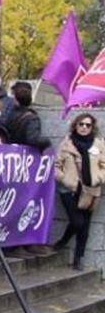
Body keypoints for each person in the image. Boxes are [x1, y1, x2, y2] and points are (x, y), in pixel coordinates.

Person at [54, 112, 105, 271]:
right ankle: (63, 240)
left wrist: (98, 178)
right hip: (69, 189)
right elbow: (56, 166)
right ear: (75, 126)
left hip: (90, 190)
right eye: (81, 124)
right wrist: (66, 180)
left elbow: (104, 165)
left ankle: (79, 258)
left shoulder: (99, 144)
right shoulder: (67, 143)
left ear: (92, 127)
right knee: (77, 222)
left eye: (87, 125)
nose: (84, 127)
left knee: (85, 226)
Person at [7, 81, 51, 150]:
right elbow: (33, 139)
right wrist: (47, 141)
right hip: (25, 155)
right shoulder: (32, 118)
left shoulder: (9, 113)